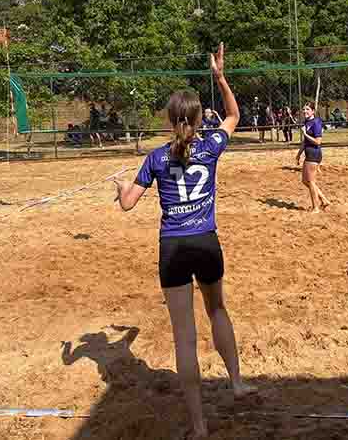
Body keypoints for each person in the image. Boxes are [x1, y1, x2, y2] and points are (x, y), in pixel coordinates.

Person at [113, 43, 255, 439]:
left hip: (173, 248)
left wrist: (122, 188)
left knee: (185, 338)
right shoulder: (210, 147)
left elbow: (127, 204)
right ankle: (237, 383)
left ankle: (199, 426)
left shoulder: (157, 158)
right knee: (218, 310)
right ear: (197, 118)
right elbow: (234, 115)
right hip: (206, 242)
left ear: (168, 119)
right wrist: (220, 78)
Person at [296, 102, 331, 213]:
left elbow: (318, 141)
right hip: (308, 154)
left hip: (314, 154)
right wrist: (298, 154)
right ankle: (324, 200)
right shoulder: (307, 122)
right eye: (304, 109)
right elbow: (305, 142)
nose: (304, 111)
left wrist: (305, 134)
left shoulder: (316, 122)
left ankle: (316, 207)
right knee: (305, 181)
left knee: (311, 181)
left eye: (307, 109)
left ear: (313, 111)